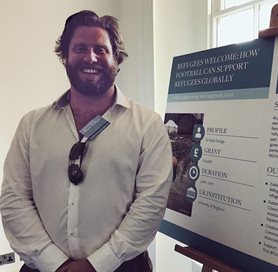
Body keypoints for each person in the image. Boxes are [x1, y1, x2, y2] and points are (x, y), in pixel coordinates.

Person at [0, 10, 172, 272]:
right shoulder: (31, 126)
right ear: (65, 56)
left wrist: (97, 265)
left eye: (101, 50)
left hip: (124, 267)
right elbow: (14, 199)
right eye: (80, 48)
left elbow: (151, 204)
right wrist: (54, 264)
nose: (91, 57)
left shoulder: (148, 126)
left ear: (116, 58)